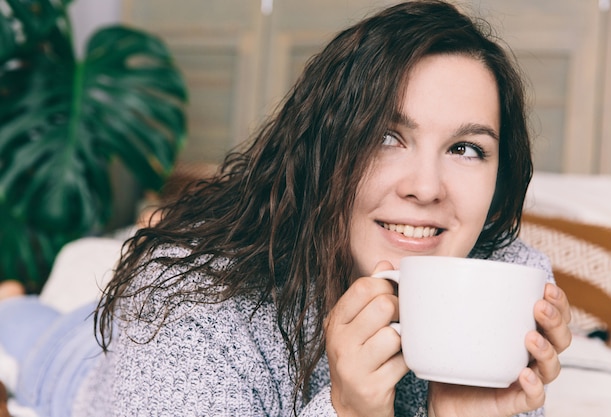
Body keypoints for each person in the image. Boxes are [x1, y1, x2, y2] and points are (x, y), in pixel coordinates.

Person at [0, 1, 571, 416]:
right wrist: (345, 413)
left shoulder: (509, 287)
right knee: (26, 328)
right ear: (325, 146)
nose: (427, 188)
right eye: (385, 136)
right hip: (85, 368)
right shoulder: (186, 301)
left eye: (466, 149)